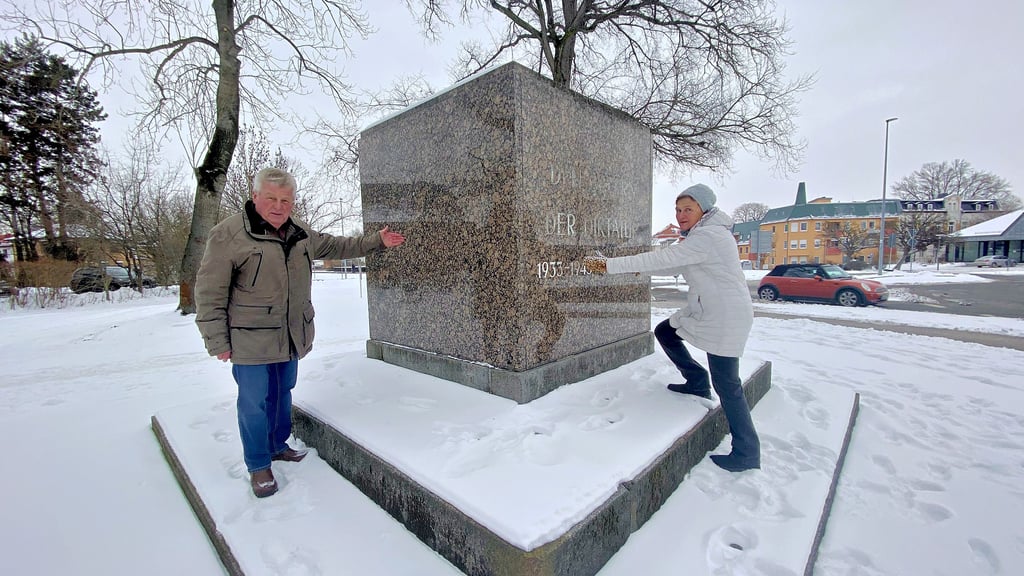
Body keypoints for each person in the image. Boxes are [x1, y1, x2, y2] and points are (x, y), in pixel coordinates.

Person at [195, 167, 406, 497]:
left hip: (290, 335)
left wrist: (376, 241)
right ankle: (258, 465)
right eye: (271, 199)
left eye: (286, 200)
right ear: (255, 198)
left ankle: (277, 445)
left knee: (282, 394)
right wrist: (217, 340)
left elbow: (336, 246)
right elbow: (209, 292)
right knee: (254, 404)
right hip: (249, 339)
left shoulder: (299, 232)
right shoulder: (228, 235)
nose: (279, 206)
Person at [583, 184, 760, 472]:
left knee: (728, 385)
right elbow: (671, 264)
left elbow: (663, 258)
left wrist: (607, 266)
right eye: (678, 210)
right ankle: (696, 380)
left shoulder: (709, 236)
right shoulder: (703, 236)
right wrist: (638, 269)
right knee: (666, 332)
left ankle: (747, 452)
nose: (681, 215)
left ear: (704, 209)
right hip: (707, 311)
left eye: (688, 209)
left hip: (725, 318)